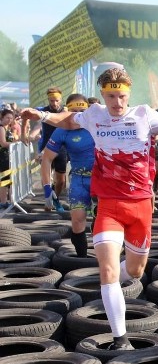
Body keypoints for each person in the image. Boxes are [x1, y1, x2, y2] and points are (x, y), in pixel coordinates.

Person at [20, 68, 158, 351]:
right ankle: (120, 338)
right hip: (109, 206)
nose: (117, 102)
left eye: (122, 96)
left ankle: (109, 283)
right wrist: (40, 115)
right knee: (108, 270)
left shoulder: (144, 114)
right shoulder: (95, 114)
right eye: (111, 96)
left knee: (136, 271)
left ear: (130, 94)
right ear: (103, 95)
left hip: (140, 206)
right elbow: (67, 120)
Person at [42, 94, 95, 257]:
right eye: (73, 111)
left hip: (102, 179)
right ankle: (82, 259)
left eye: (82, 111)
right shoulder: (61, 131)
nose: (77, 115)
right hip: (79, 179)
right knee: (78, 221)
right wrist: (46, 188)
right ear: (66, 111)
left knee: (102, 221)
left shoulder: (98, 125)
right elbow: (46, 159)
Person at [31, 87, 68, 212]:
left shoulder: (65, 111)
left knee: (61, 181)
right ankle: (48, 198)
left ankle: (55, 198)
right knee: (46, 177)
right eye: (52, 101)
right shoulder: (42, 111)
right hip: (46, 146)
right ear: (48, 100)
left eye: (57, 101)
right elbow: (36, 125)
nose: (54, 103)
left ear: (61, 99)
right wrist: (30, 135)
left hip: (61, 148)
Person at [0, 109, 17, 208]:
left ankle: (7, 201)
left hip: (8, 157)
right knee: (4, 180)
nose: (9, 120)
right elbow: (3, 143)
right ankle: (3, 202)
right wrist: (15, 144)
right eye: (7, 118)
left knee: (8, 180)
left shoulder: (7, 128)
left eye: (11, 118)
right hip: (3, 157)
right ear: (2, 117)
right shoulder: (1, 128)